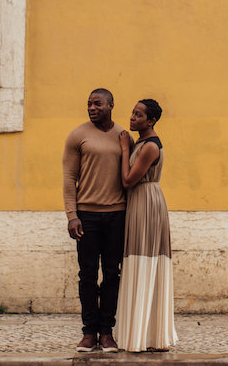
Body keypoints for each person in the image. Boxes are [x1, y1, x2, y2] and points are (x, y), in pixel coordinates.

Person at [62, 88, 126, 353]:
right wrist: (71, 215)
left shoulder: (123, 136)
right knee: (87, 275)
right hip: (86, 216)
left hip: (117, 215)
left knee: (112, 274)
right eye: (89, 104)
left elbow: (129, 176)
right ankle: (89, 333)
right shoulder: (78, 135)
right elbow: (69, 178)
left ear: (111, 104)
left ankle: (107, 333)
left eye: (97, 103)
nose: (91, 107)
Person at [113, 98, 177, 352]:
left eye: (138, 115)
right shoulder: (142, 142)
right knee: (137, 261)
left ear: (150, 120)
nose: (132, 117)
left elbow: (128, 180)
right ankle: (141, 332)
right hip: (140, 202)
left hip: (146, 202)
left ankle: (147, 336)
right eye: (132, 112)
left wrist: (125, 149)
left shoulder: (150, 146)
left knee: (145, 261)